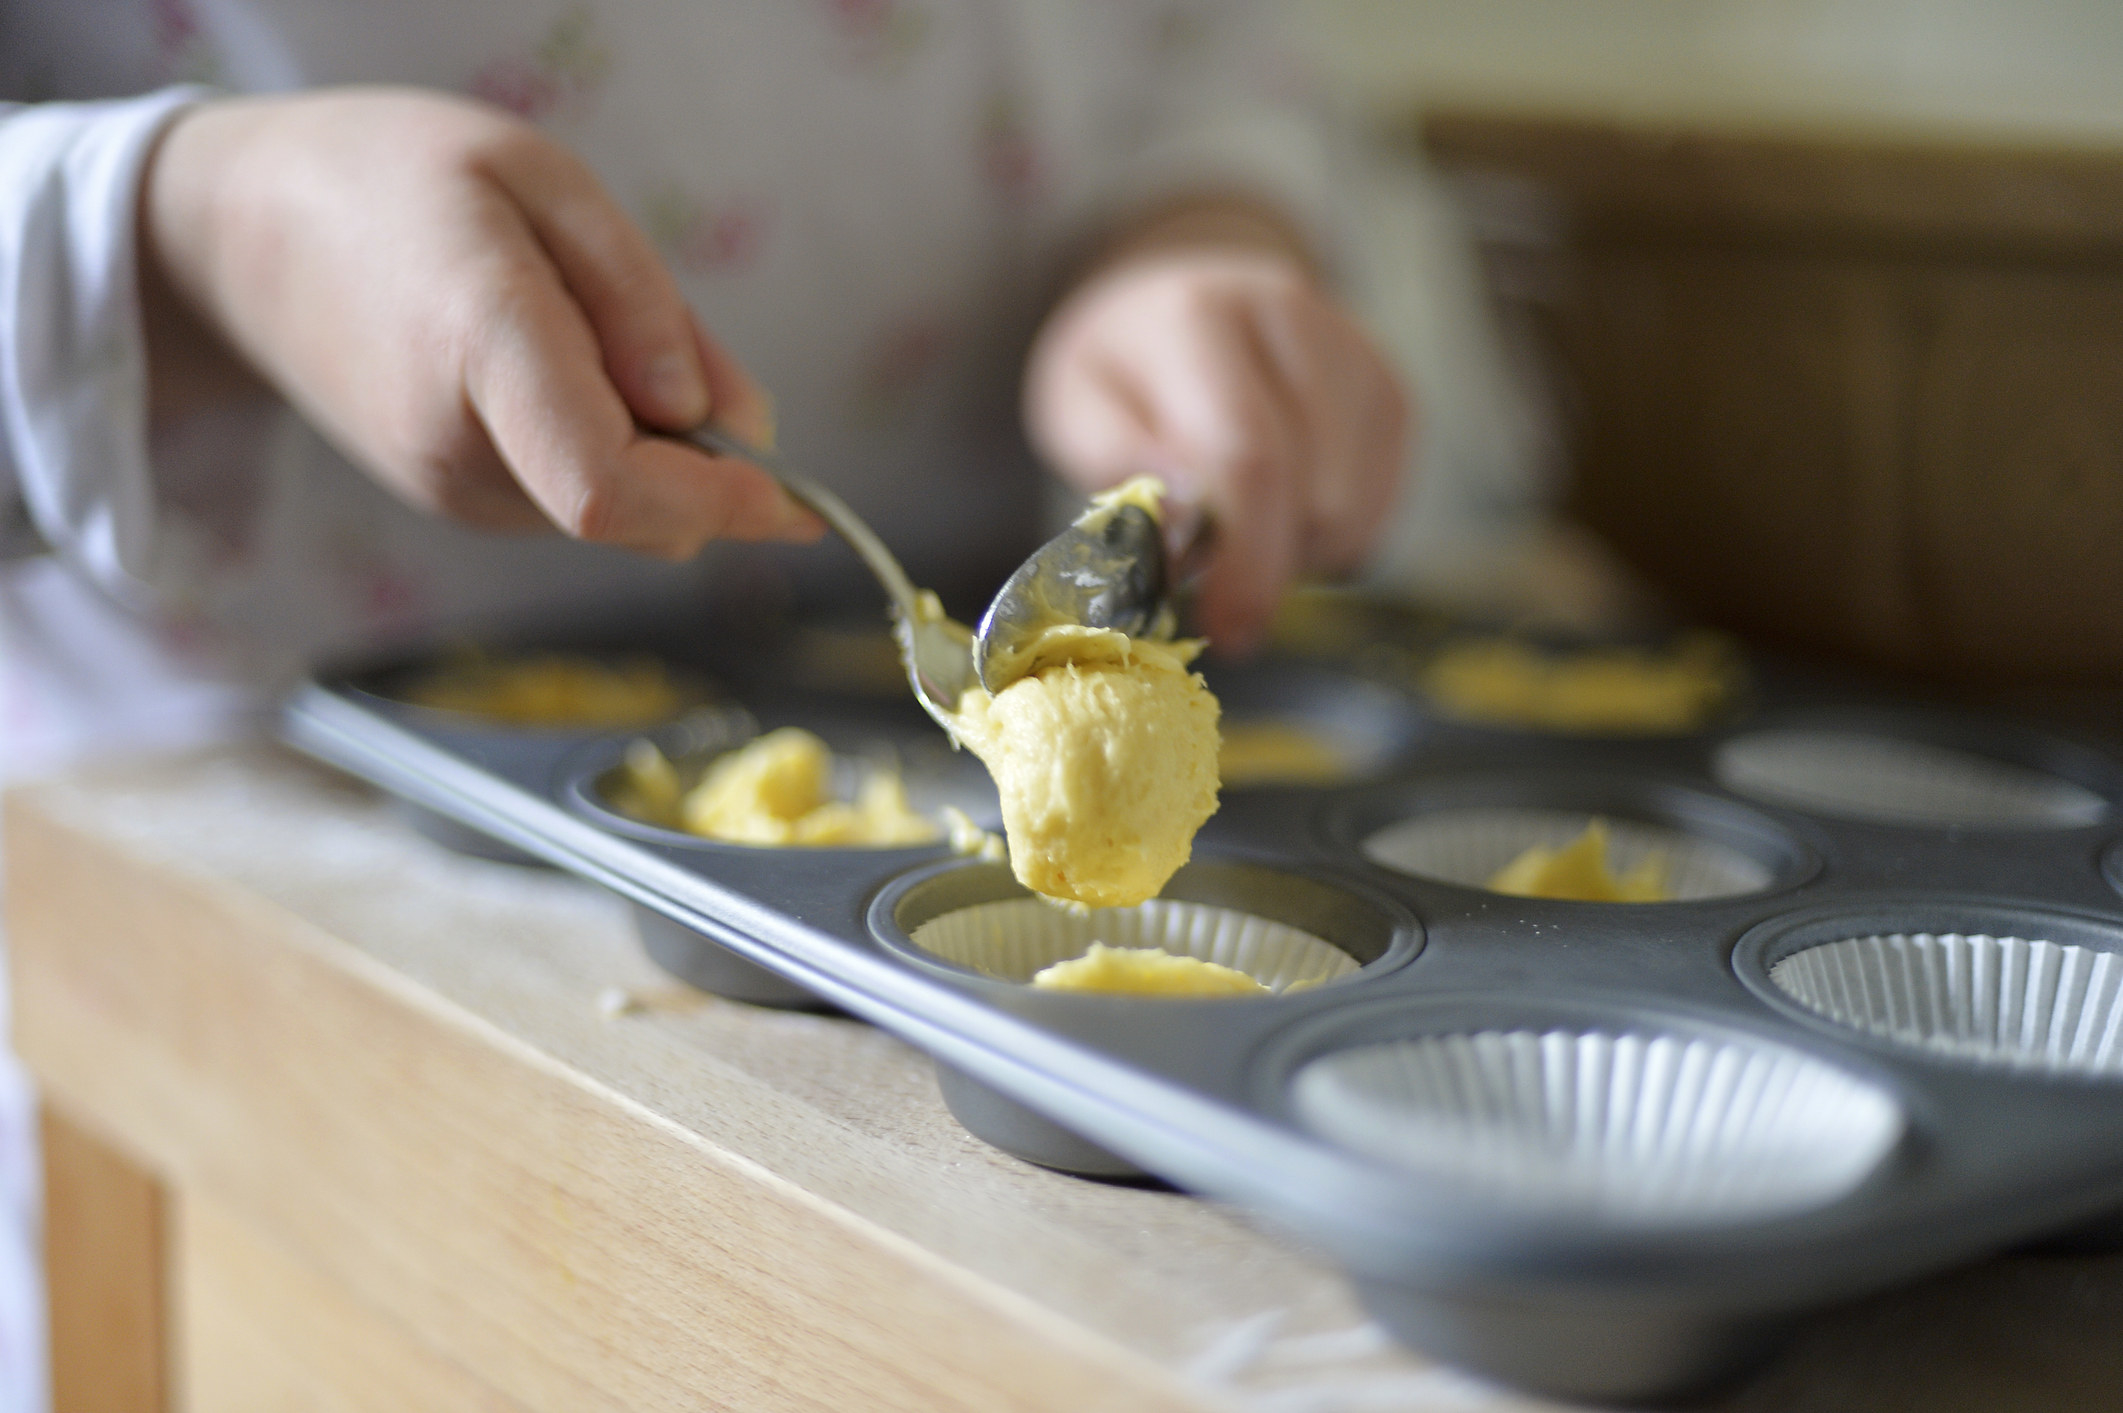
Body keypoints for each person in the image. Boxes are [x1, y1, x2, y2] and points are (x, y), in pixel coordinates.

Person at [0, 3, 1541, 1407]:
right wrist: (203, 237)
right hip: (251, 868)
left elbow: (1193, 56)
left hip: (927, 770)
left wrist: (1192, 240)